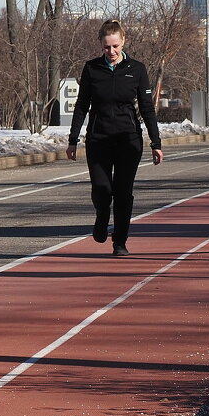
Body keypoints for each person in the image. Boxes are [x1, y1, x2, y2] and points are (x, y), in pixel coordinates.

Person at [66, 19, 163, 256]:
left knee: (123, 191)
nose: (111, 52)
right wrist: (73, 139)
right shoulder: (91, 68)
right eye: (107, 47)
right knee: (101, 189)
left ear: (123, 43)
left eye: (115, 47)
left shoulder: (137, 69)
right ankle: (101, 215)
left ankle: (120, 241)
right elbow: (81, 106)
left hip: (128, 139)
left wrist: (156, 142)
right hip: (98, 138)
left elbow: (147, 108)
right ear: (101, 45)